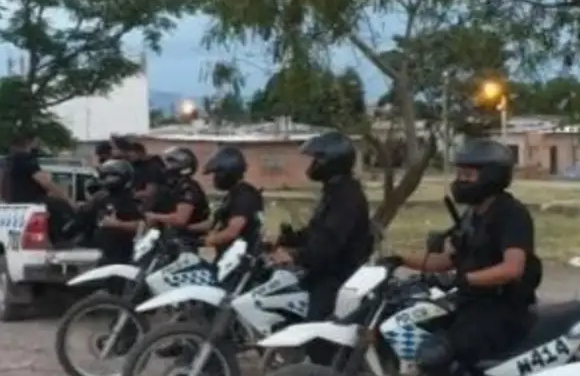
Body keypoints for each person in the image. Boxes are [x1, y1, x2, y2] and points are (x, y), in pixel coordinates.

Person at [384, 138, 539, 375]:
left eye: (467, 175)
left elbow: (512, 268)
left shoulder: (511, 215)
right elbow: (448, 260)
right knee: (422, 329)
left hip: (502, 310)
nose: (460, 181)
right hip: (470, 302)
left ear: (491, 176)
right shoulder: (473, 215)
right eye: (459, 174)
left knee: (441, 355)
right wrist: (399, 260)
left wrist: (465, 279)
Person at [269, 131, 373, 365]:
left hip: (338, 278)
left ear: (331, 161)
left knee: (316, 335)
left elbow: (329, 243)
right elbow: (316, 232)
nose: (313, 164)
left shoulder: (346, 197)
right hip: (322, 272)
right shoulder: (334, 191)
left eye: (317, 159)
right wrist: (288, 239)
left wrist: (295, 255)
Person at [0, 133, 75, 242]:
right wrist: (68, 200)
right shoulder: (25, 158)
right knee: (61, 206)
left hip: (15, 201)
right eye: (37, 143)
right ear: (29, 143)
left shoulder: (7, 161)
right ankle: (58, 239)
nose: (38, 146)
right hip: (29, 199)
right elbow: (45, 182)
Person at [195, 146, 265, 251]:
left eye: (217, 173)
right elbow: (213, 222)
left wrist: (205, 241)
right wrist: (186, 229)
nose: (215, 178)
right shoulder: (234, 194)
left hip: (241, 257)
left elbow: (231, 232)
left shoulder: (244, 196)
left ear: (227, 172)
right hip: (229, 255)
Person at [79, 159, 145, 265]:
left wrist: (117, 224)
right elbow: (83, 215)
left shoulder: (128, 199)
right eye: (105, 175)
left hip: (121, 253)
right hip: (99, 250)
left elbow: (141, 226)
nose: (108, 179)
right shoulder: (101, 197)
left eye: (112, 175)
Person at [145, 146, 211, 243]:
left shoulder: (187, 187)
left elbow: (180, 219)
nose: (166, 166)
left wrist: (154, 216)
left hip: (186, 241)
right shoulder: (171, 187)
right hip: (169, 238)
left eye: (171, 162)